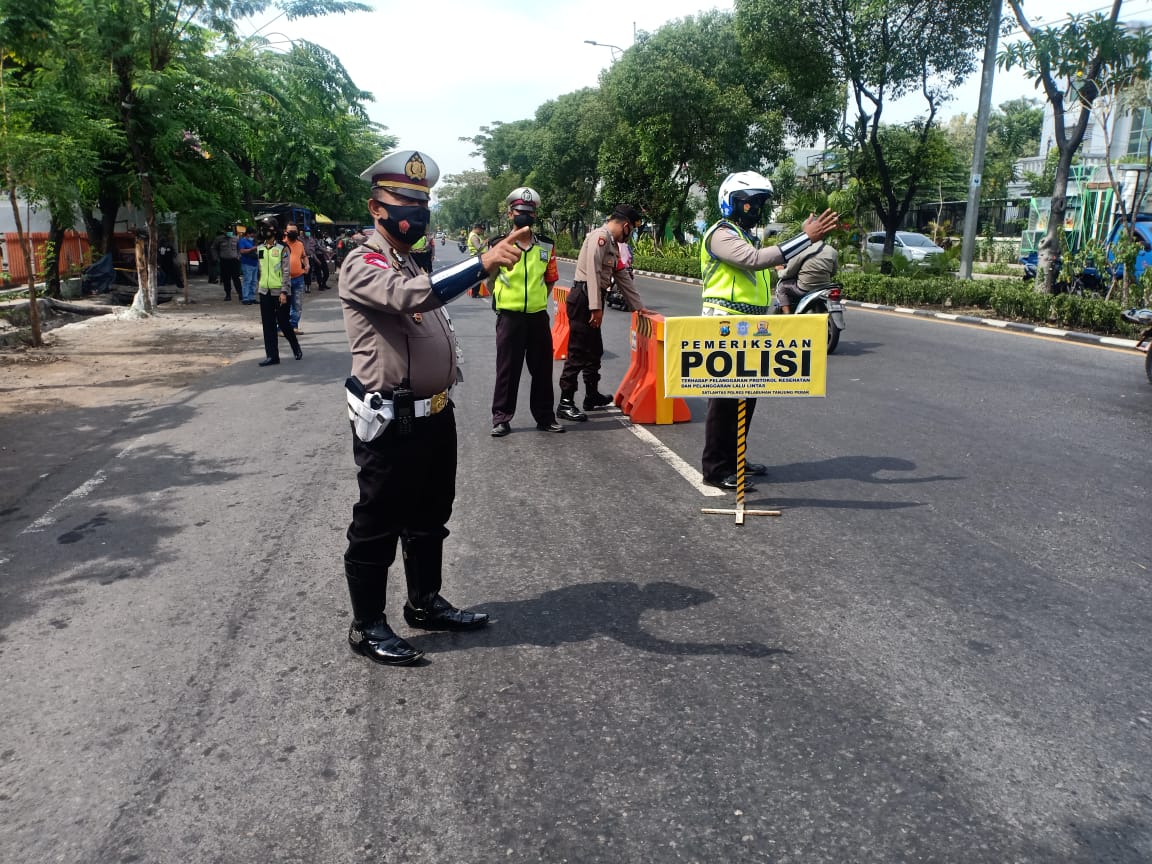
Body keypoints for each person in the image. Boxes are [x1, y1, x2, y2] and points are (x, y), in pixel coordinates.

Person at [339, 148, 531, 666]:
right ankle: (367, 625)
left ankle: (423, 602)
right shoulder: (364, 261)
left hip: (434, 413)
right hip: (391, 418)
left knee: (429, 515)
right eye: (403, 200)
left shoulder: (405, 257)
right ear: (377, 207)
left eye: (422, 202)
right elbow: (413, 298)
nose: (415, 211)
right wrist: (483, 262)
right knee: (378, 522)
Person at [699, 171, 838, 491]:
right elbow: (752, 260)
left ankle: (736, 457)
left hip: (751, 327)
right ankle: (716, 468)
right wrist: (806, 238)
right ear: (730, 203)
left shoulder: (747, 235)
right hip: (723, 326)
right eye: (750, 204)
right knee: (723, 401)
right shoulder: (720, 234)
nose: (756, 210)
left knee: (748, 395)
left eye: (760, 204)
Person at [556, 204, 644, 423]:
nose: (630, 234)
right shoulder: (600, 238)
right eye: (631, 229)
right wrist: (596, 308)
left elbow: (621, 274)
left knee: (594, 350)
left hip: (593, 298)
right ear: (625, 225)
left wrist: (638, 306)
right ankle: (565, 403)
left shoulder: (612, 244)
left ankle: (591, 395)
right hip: (584, 299)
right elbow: (594, 273)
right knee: (578, 352)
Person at [488, 187, 564, 437]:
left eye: (530, 212)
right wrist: (501, 298)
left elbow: (550, 278)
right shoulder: (498, 244)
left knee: (542, 370)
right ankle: (501, 418)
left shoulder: (545, 245)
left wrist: (538, 298)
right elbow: (489, 279)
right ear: (510, 214)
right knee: (507, 370)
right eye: (521, 211)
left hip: (537, 317)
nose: (525, 216)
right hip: (509, 317)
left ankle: (545, 417)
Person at [255, 217, 302, 366]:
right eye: (263, 227)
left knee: (283, 322)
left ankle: (295, 346)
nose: (264, 230)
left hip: (280, 292)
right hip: (264, 291)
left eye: (267, 227)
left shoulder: (282, 248)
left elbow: (286, 271)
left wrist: (283, 291)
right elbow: (261, 270)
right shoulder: (260, 248)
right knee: (268, 325)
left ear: (274, 230)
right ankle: (272, 356)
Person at [774, 240, 839, 314]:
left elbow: (789, 272)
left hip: (804, 289)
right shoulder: (832, 251)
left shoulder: (802, 250)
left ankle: (787, 315)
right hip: (824, 288)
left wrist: (780, 271)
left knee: (782, 287)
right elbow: (833, 272)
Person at [283, 223, 309, 333]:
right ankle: (283, 327)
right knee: (284, 305)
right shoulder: (280, 244)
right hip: (285, 280)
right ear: (285, 232)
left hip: (298, 278)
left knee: (297, 305)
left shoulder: (300, 244)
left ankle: (293, 326)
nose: (293, 232)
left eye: (295, 230)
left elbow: (304, 256)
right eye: (291, 230)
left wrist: (307, 264)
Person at [212, 227, 241, 300]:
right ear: (224, 231)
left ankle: (240, 293)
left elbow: (239, 248)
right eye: (228, 231)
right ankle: (228, 294)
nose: (229, 232)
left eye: (230, 231)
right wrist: (216, 258)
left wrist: (238, 256)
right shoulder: (219, 239)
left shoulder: (236, 239)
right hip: (224, 260)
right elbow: (213, 248)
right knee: (226, 278)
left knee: (236, 278)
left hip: (234, 260)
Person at [237, 226, 259, 304]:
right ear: (248, 234)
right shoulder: (242, 241)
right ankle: (245, 298)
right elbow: (242, 251)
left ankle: (252, 297)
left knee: (254, 281)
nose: (253, 236)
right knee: (247, 280)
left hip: (254, 263)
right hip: (247, 263)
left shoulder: (253, 241)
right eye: (252, 235)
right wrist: (252, 249)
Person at [466, 223, 486, 297]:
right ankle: (475, 293)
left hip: (477, 257)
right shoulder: (473, 236)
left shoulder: (474, 235)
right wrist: (485, 243)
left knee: (478, 275)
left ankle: (475, 292)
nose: (481, 231)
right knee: (478, 276)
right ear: (477, 228)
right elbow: (478, 247)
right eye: (481, 230)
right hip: (476, 257)